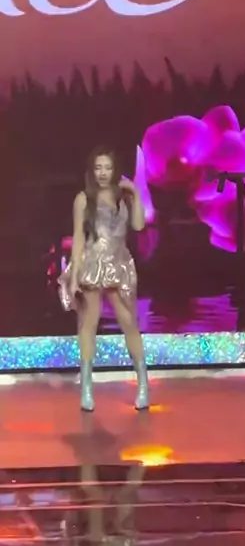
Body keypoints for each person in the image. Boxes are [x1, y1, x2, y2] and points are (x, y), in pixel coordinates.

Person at [59, 147, 149, 412]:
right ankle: (87, 387)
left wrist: (135, 193)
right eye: (98, 167)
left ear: (115, 169)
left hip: (119, 264)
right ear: (92, 170)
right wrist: (74, 276)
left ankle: (143, 384)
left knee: (129, 323)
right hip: (92, 263)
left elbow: (139, 225)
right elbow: (78, 238)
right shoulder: (83, 199)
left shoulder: (124, 196)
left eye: (107, 167)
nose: (103, 173)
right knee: (88, 323)